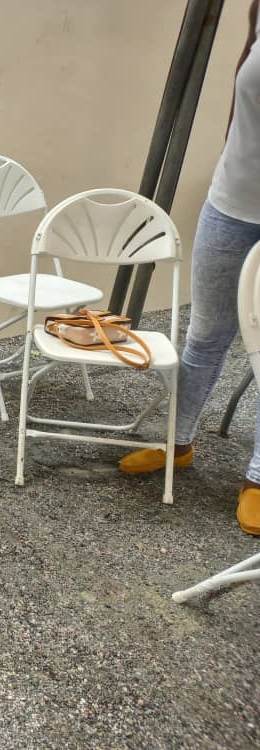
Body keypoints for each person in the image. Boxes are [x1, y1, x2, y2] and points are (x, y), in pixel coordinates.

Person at [120, 0, 260, 536]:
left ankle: (256, 479)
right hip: (231, 204)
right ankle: (175, 443)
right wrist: (232, 152)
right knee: (205, 334)